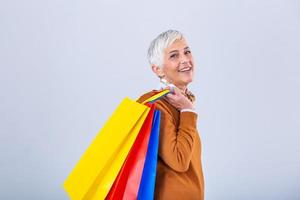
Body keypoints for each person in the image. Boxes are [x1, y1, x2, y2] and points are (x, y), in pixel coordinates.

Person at [137, 30, 205, 200]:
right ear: (158, 69)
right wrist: (188, 110)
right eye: (174, 56)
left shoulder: (178, 103)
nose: (185, 60)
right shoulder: (156, 105)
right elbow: (179, 160)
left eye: (187, 52)